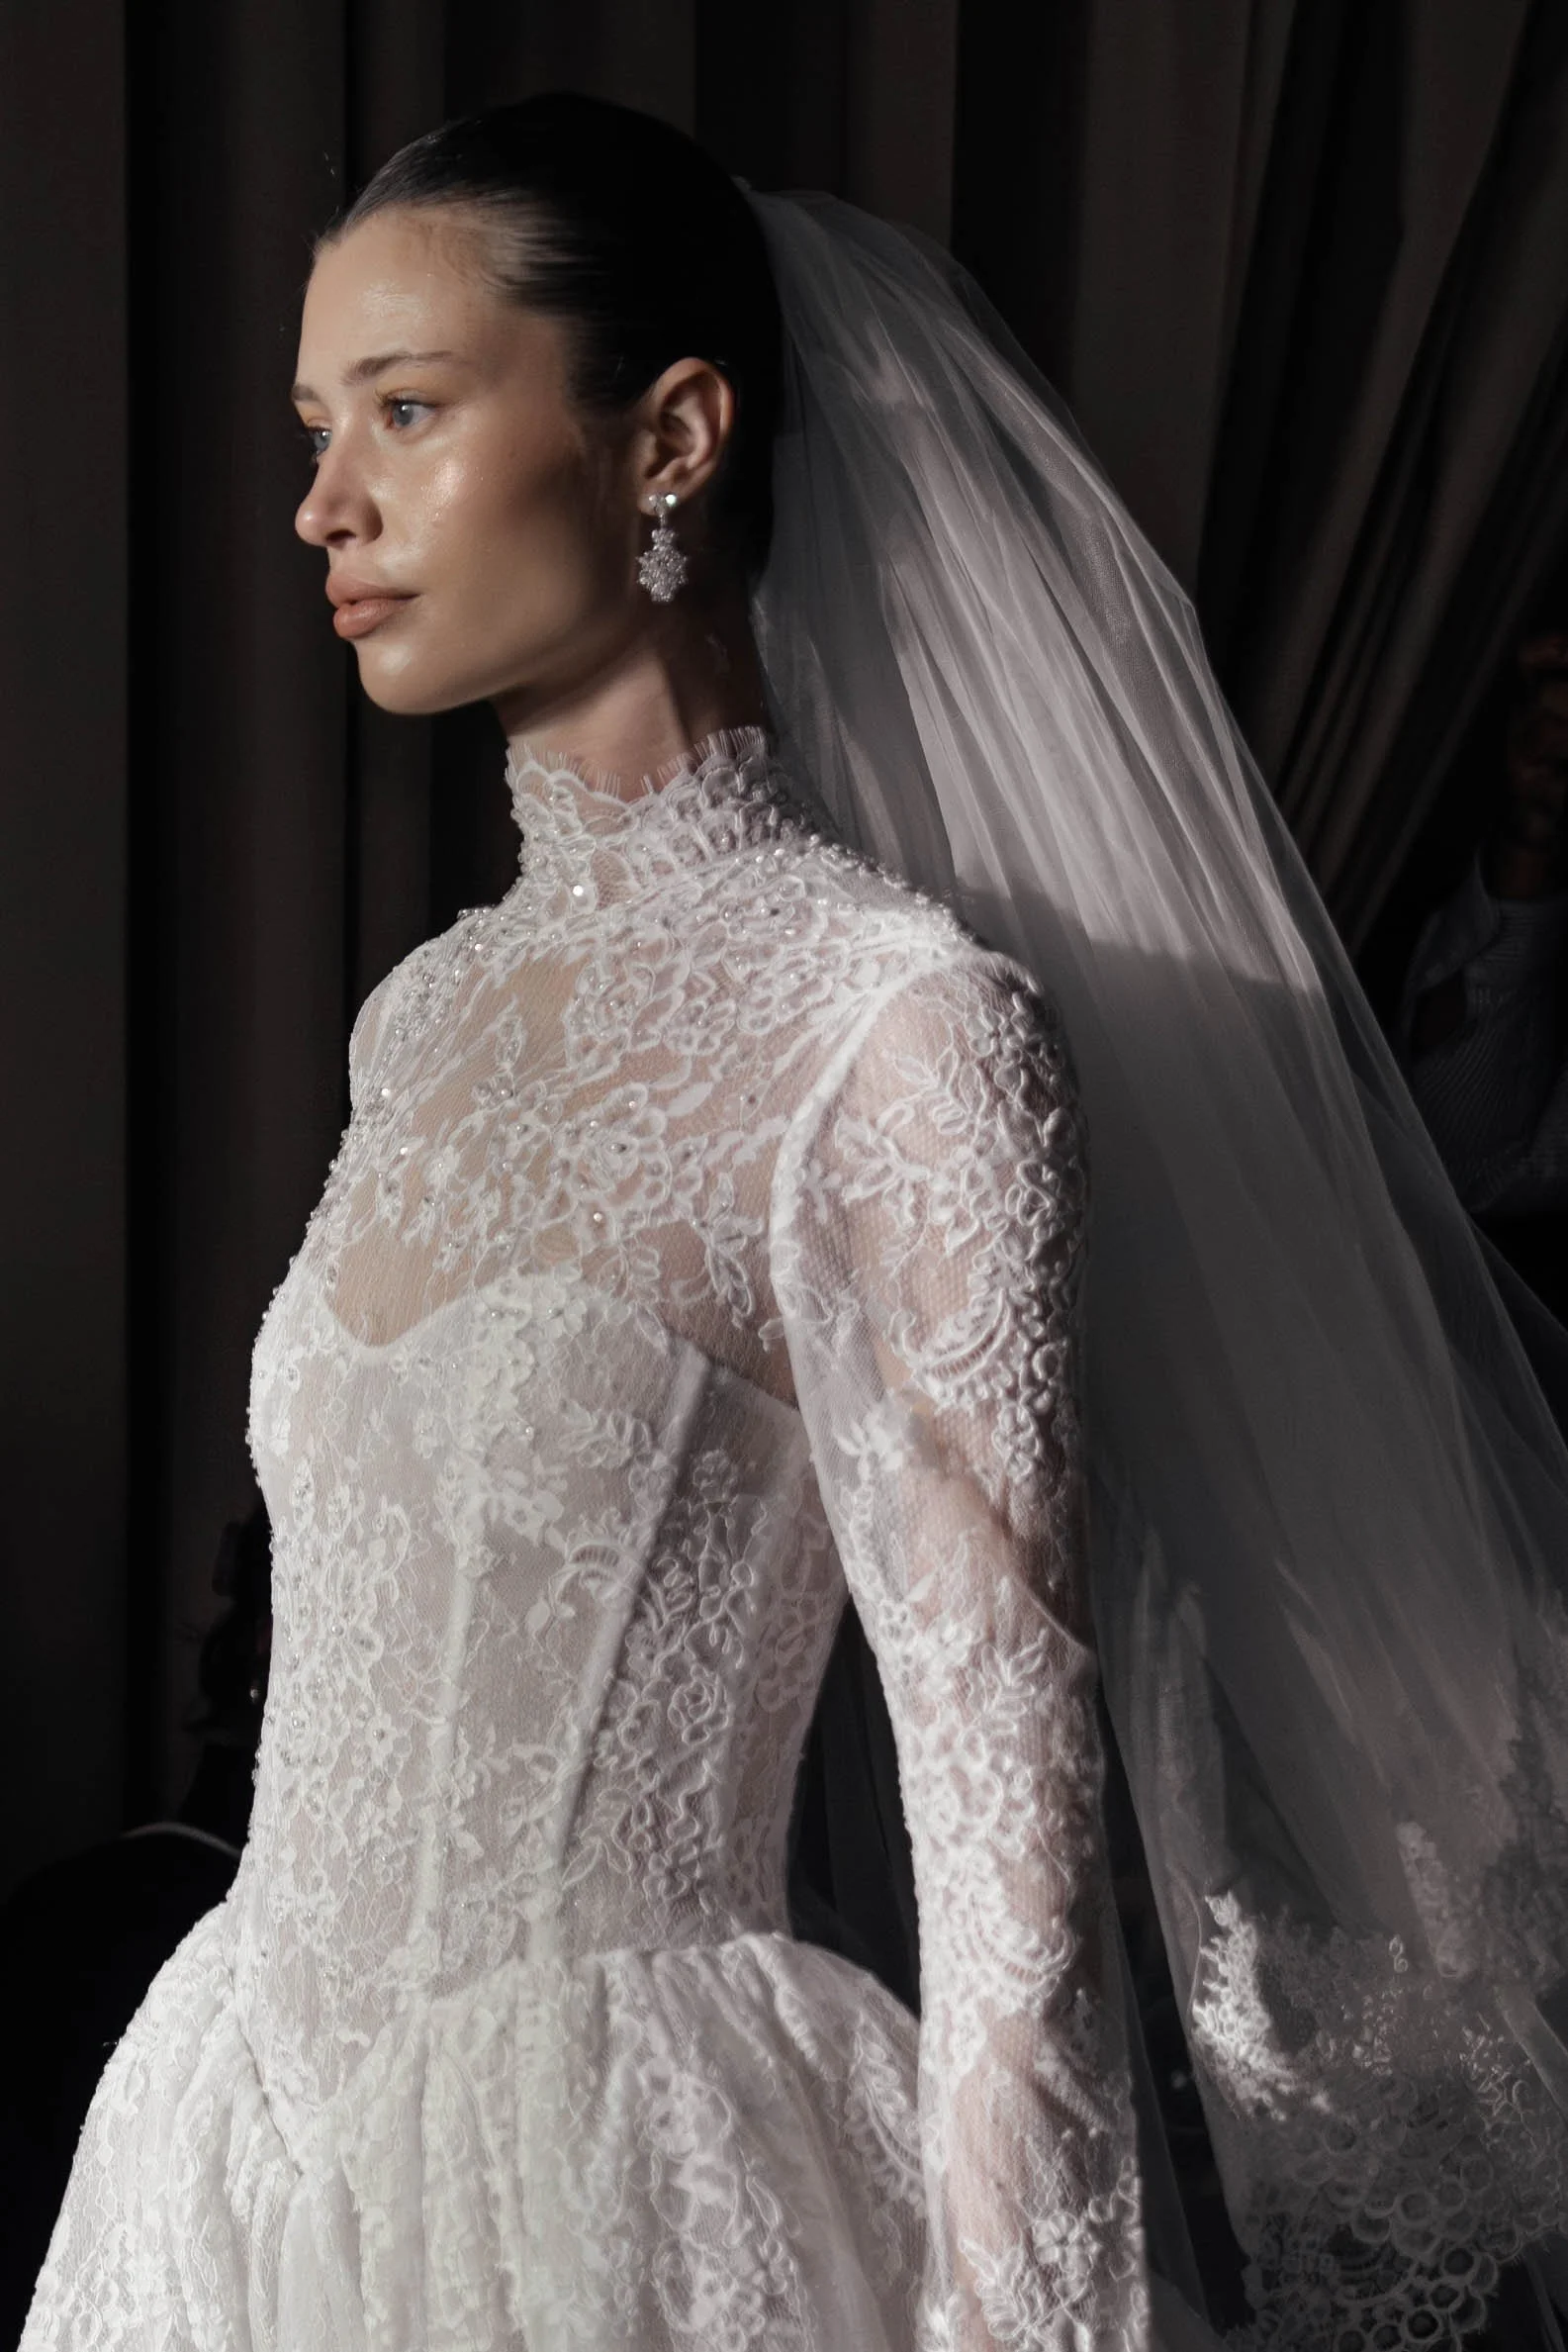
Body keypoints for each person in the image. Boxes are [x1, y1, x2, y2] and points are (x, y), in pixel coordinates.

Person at [20, 89, 1568, 2351]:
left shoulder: (899, 1030)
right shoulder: (422, 1022)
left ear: (672, 437)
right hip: (232, 2160)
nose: (323, 504)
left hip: (618, 2192)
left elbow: (1005, 1821)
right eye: (315, 427)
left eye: (409, 410)